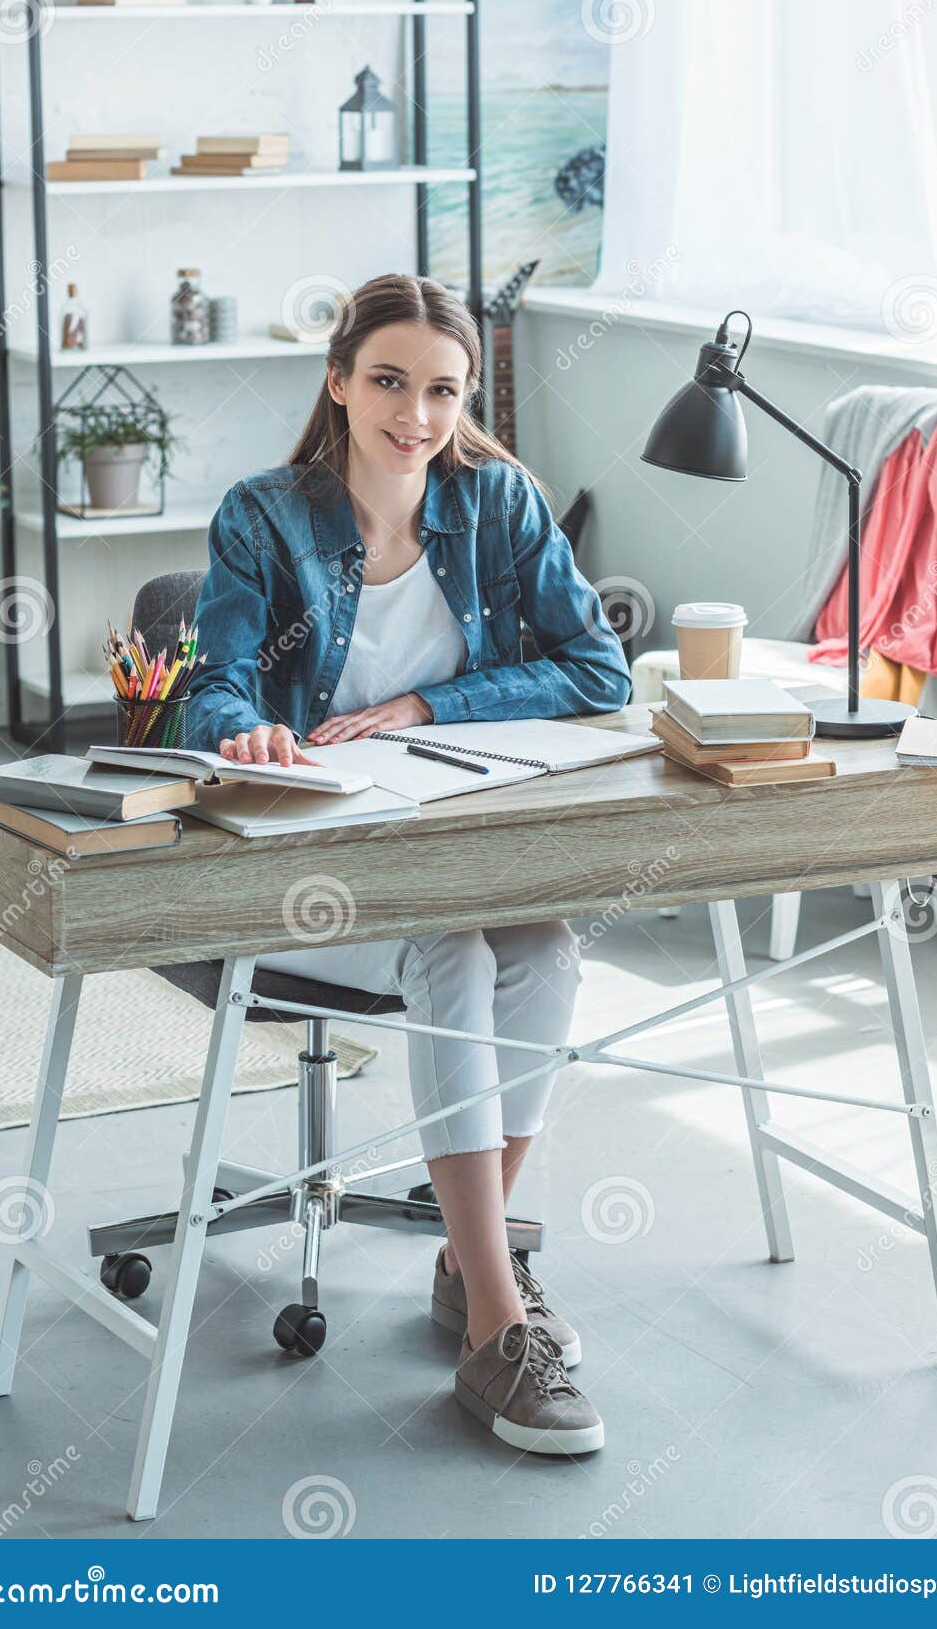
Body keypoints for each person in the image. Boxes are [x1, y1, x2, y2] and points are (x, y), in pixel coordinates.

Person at [188, 272, 632, 1454]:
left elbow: (601, 673)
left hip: (448, 845)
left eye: (443, 390)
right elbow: (210, 681)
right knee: (451, 940)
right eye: (389, 381)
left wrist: (430, 701)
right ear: (339, 382)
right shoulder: (263, 514)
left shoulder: (500, 504)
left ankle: (463, 1258)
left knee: (543, 948)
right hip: (303, 877)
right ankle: (497, 1322)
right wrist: (244, 727)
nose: (416, 414)